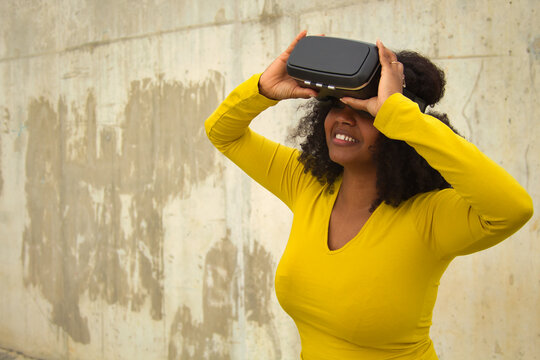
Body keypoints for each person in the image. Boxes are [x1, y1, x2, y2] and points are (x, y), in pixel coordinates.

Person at [204, 31, 533, 360]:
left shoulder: (429, 217)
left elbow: (512, 209)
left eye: (367, 112)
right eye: (336, 105)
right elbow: (223, 132)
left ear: (395, 127)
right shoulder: (305, 182)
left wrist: (399, 114)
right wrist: (263, 89)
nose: (345, 118)